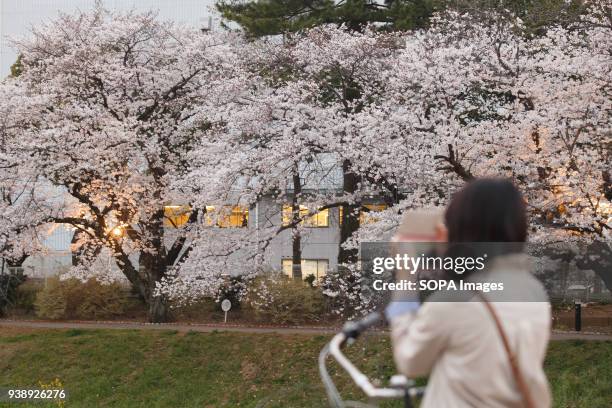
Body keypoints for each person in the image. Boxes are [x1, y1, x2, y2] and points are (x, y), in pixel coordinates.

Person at [389, 179, 551, 408]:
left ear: (462, 226)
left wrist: (405, 276)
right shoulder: (534, 291)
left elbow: (410, 361)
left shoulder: (455, 299)